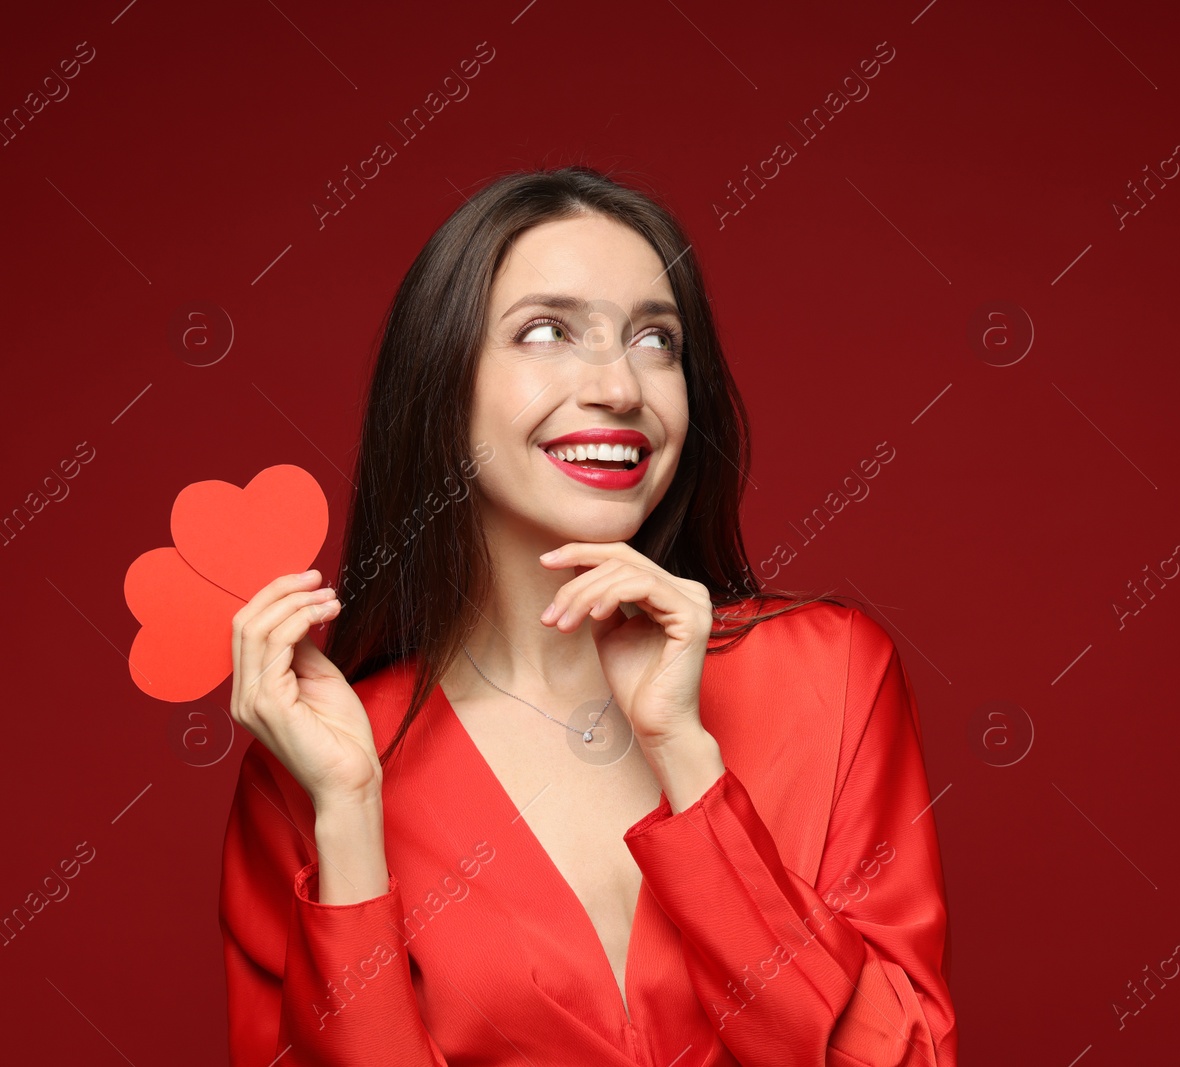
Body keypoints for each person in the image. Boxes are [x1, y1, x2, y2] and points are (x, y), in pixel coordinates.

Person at [218, 166, 957, 1066]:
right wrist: (346, 814)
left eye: (656, 339)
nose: (619, 385)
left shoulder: (831, 672)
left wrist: (688, 758)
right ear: (440, 388)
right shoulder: (317, 764)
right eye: (547, 331)